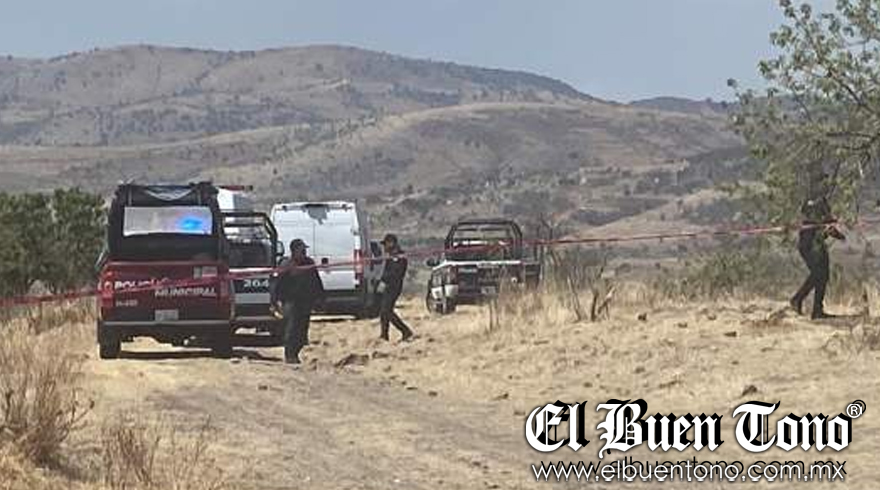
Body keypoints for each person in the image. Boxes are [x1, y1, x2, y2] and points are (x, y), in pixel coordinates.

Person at [790, 177, 845, 320]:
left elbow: (828, 226)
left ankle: (816, 310)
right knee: (818, 274)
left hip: (818, 243)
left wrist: (838, 234)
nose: (826, 186)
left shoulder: (822, 202)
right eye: (824, 183)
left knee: (822, 275)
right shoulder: (812, 201)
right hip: (809, 244)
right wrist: (829, 226)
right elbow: (814, 221)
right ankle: (798, 299)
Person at [273, 239, 324, 363]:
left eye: (305, 250)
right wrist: (276, 301)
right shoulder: (287, 265)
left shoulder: (309, 263)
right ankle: (290, 355)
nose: (304, 252)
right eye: (302, 250)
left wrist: (320, 298)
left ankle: (297, 352)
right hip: (291, 301)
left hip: (305, 301)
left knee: (302, 329)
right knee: (292, 328)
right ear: (294, 251)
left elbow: (316, 281)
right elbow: (278, 284)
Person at [377, 233, 414, 342]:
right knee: (384, 311)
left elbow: (396, 273)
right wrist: (381, 282)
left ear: (391, 243)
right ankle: (384, 335)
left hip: (394, 287)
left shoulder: (399, 257)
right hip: (388, 286)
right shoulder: (391, 256)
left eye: (386, 244)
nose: (384, 247)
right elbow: (386, 271)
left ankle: (405, 331)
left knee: (387, 311)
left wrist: (385, 279)